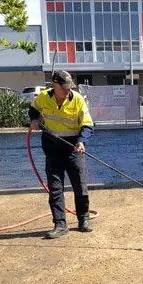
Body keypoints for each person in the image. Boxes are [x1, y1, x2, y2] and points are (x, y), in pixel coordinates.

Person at [29, 70, 94, 238]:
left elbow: (87, 124)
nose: (67, 91)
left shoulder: (77, 100)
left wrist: (81, 141)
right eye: (63, 87)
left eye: (68, 87)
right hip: (52, 149)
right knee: (55, 189)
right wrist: (35, 120)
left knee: (80, 186)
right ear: (54, 85)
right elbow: (33, 109)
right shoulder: (43, 97)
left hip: (73, 148)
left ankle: (84, 219)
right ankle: (60, 224)